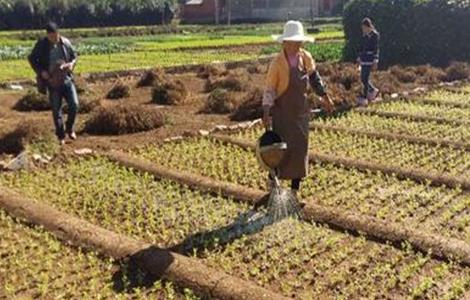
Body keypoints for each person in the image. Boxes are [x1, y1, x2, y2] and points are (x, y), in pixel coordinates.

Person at [262, 20, 334, 195]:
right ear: (285, 42)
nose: (296, 45)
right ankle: (273, 185)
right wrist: (266, 112)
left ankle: (294, 191)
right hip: (283, 115)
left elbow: (315, 80)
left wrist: (326, 97)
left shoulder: (305, 57)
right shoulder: (277, 63)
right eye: (292, 42)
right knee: (280, 152)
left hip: (300, 113)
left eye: (298, 42)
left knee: (300, 151)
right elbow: (270, 89)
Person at [28, 22, 79, 145]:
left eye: (55, 36)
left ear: (58, 33)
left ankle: (70, 128)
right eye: (50, 37)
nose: (53, 39)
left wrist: (72, 64)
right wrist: (41, 72)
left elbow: (74, 56)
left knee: (74, 104)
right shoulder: (42, 44)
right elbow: (32, 59)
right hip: (52, 82)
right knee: (57, 110)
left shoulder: (65, 43)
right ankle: (60, 135)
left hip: (66, 79)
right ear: (47, 35)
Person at [357, 17, 380, 106]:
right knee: (363, 77)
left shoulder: (375, 35)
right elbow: (361, 47)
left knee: (365, 77)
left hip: (370, 59)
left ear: (368, 26)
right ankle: (373, 90)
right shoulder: (364, 36)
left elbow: (376, 49)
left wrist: (375, 60)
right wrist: (359, 57)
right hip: (364, 58)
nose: (363, 29)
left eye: (364, 28)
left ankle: (365, 96)